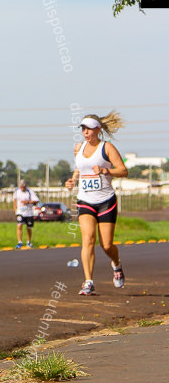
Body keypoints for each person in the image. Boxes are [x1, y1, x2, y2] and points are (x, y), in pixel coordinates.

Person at [63, 112, 128, 296]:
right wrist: (73, 181)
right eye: (83, 129)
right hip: (85, 200)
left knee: (106, 245)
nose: (85, 132)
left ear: (98, 129)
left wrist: (105, 170)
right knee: (88, 239)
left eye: (89, 129)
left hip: (106, 201)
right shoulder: (78, 148)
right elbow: (79, 168)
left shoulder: (107, 148)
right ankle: (88, 282)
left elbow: (123, 171)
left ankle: (116, 264)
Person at [13, 179, 40, 248]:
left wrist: (28, 202)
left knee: (29, 228)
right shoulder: (17, 191)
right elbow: (15, 201)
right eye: (21, 187)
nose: (22, 188)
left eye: (23, 187)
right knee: (19, 225)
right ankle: (19, 242)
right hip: (20, 212)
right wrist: (15, 210)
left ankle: (28, 241)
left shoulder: (30, 191)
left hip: (28, 212)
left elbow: (36, 201)